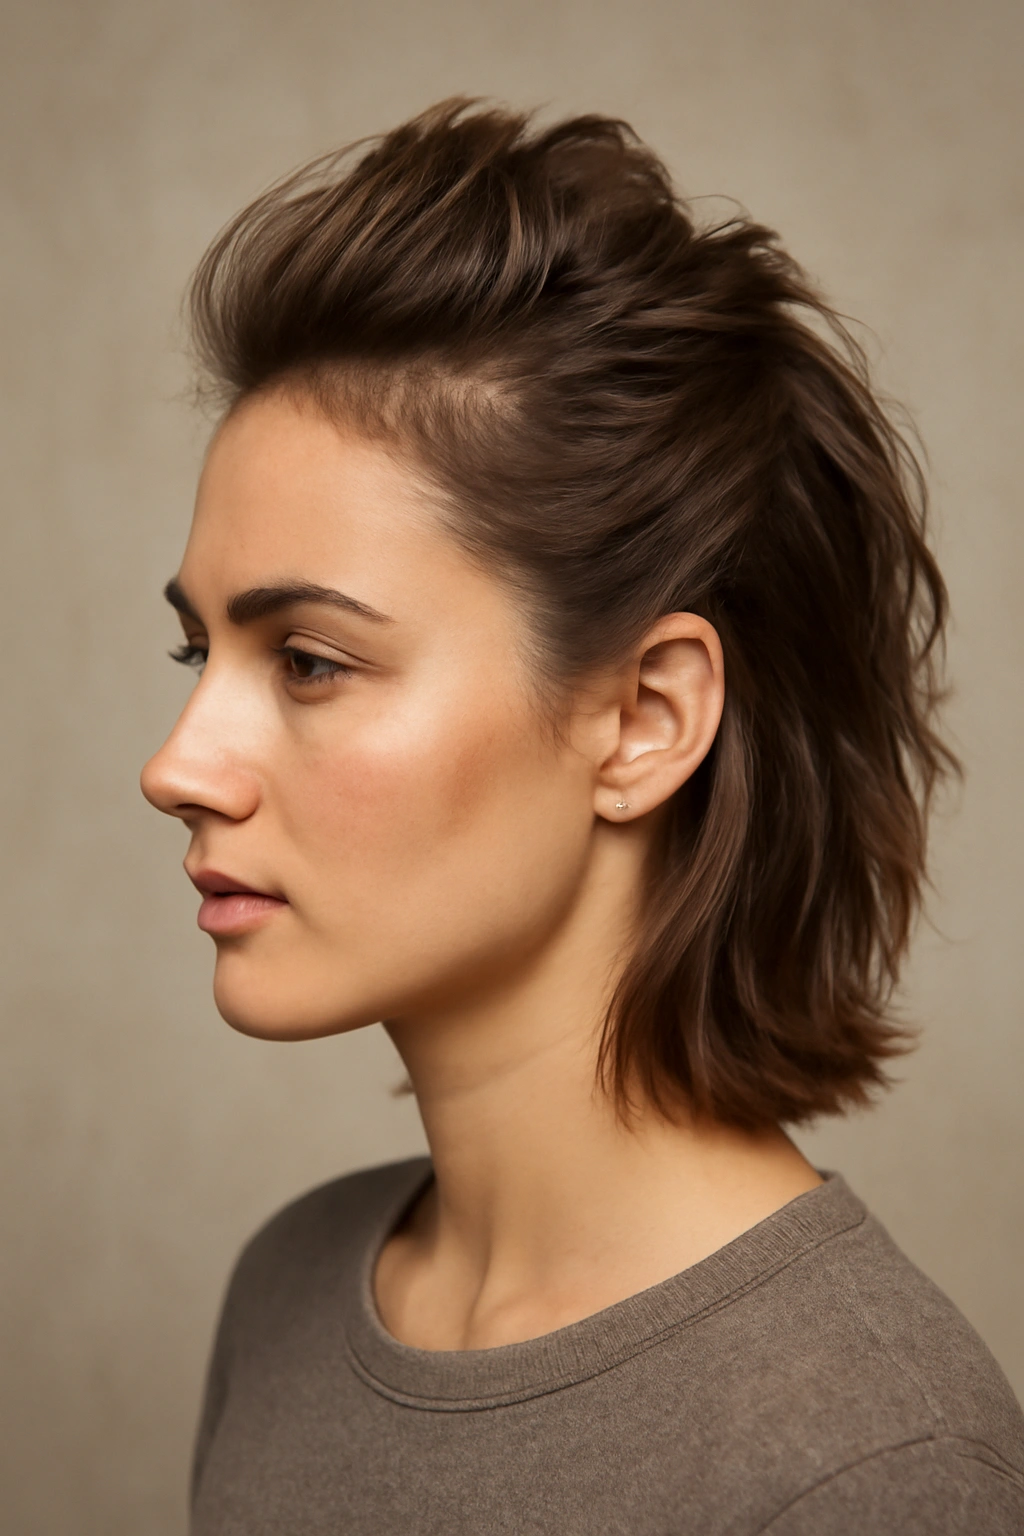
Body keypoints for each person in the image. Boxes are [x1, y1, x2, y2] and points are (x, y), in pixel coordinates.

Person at [140, 99, 1024, 1534]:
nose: (178, 765)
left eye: (308, 660)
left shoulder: (868, 1459)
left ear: (645, 719)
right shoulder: (285, 1298)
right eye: (201, 654)